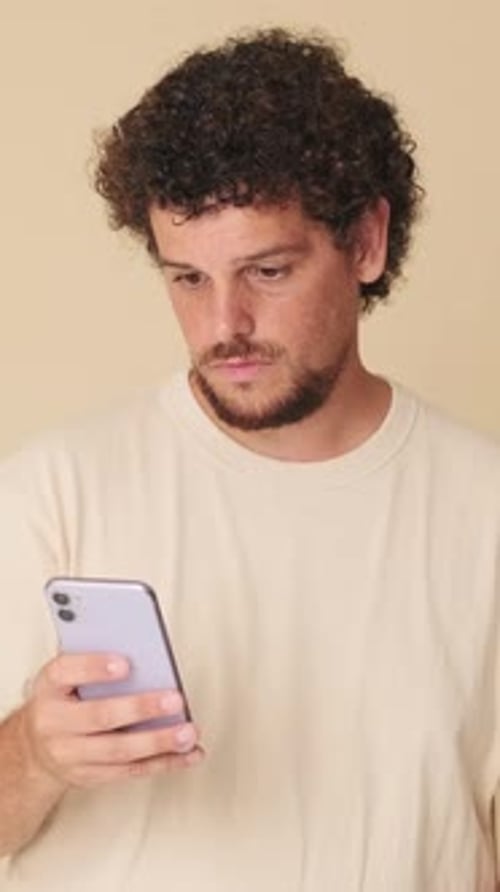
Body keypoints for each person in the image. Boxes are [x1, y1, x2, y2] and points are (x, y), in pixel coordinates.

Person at [0, 26, 499, 892]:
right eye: (187, 279)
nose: (223, 324)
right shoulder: (52, 489)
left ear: (367, 243)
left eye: (267, 272)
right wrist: (37, 754)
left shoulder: (484, 508)